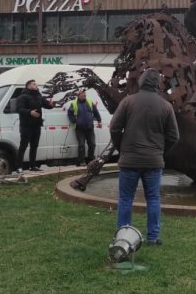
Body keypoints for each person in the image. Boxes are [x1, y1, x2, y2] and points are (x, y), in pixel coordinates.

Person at [110, 69, 180, 246]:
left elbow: (114, 128)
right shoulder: (165, 106)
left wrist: (121, 148)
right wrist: (160, 151)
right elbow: (174, 136)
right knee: (153, 199)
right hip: (153, 160)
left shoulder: (128, 102)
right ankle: (153, 237)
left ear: (141, 82)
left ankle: (123, 238)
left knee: (126, 199)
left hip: (129, 160)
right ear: (157, 84)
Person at [15, 79, 54, 173]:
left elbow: (47, 105)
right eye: (34, 84)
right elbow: (19, 109)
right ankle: (18, 167)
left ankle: (32, 166)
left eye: (36, 84)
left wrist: (52, 105)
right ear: (28, 86)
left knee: (34, 146)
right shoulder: (22, 97)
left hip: (36, 126)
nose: (36, 85)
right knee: (23, 146)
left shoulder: (39, 96)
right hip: (26, 126)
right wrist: (30, 112)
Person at [68, 88, 102, 166]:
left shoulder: (90, 102)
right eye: (83, 94)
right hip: (79, 129)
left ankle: (91, 160)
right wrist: (74, 121)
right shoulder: (74, 104)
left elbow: (95, 112)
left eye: (85, 94)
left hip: (90, 127)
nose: (84, 96)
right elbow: (70, 114)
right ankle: (81, 161)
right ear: (78, 95)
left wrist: (99, 121)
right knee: (81, 145)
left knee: (92, 144)